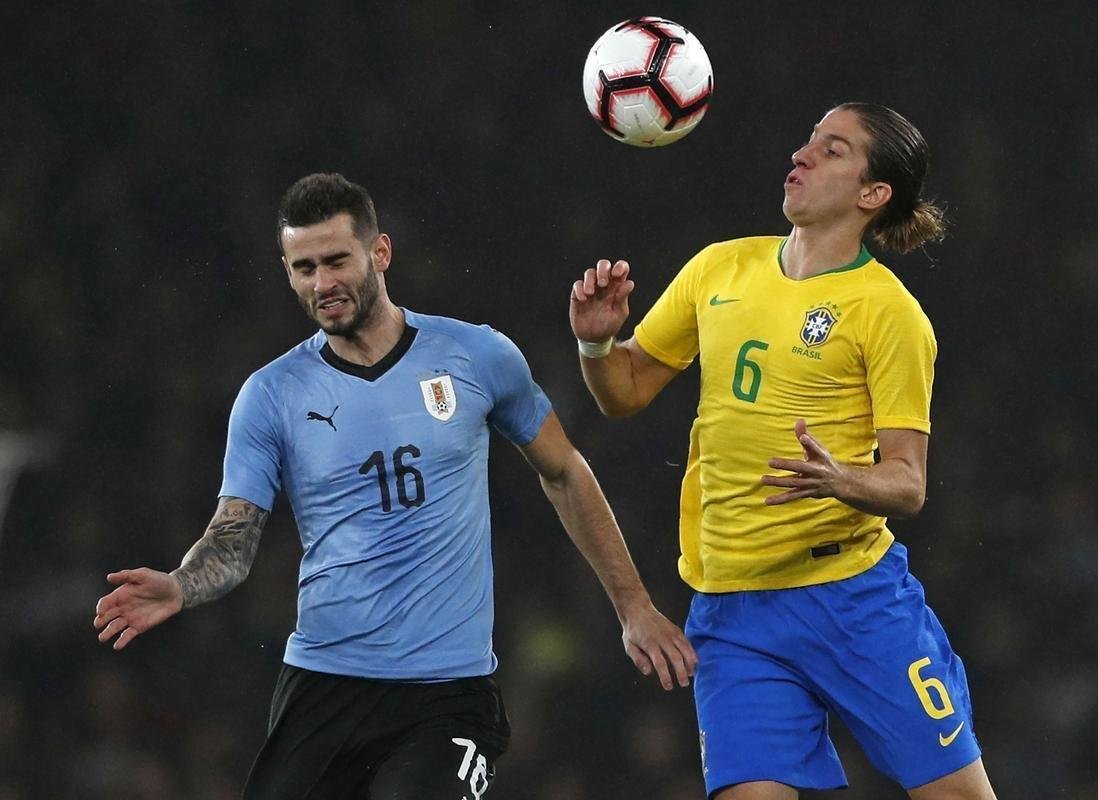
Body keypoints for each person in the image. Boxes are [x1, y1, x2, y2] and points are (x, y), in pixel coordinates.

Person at [94, 172, 697, 799]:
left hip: (450, 695)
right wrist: (181, 585)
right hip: (323, 686)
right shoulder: (270, 396)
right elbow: (233, 539)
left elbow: (564, 470)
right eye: (304, 268)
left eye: (335, 260)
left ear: (379, 253)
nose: (322, 283)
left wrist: (633, 606)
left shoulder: (476, 356)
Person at [569, 103, 999, 799]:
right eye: (808, 140)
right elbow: (622, 393)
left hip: (854, 600)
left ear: (872, 194)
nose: (802, 154)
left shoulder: (887, 313)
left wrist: (843, 480)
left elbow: (908, 483)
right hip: (734, 611)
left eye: (832, 150)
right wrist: (595, 343)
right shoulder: (719, 268)